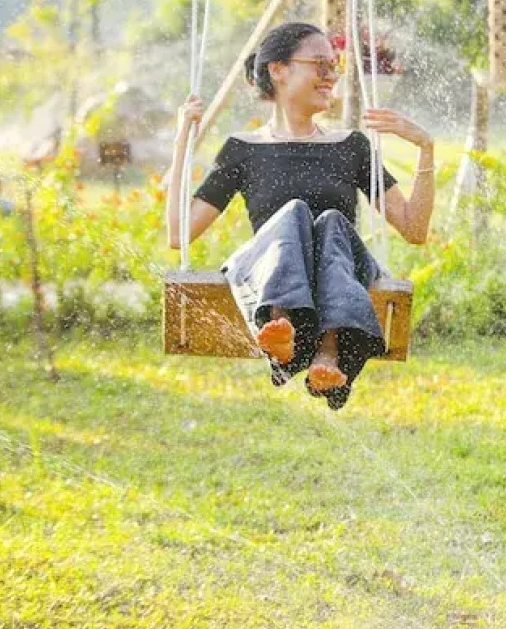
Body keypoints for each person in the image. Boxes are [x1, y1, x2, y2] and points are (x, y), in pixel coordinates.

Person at [165, 21, 435, 409]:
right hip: (269, 271)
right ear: (279, 70)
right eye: (320, 65)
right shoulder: (243, 150)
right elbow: (180, 234)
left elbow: (414, 228)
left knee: (329, 222)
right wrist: (181, 141)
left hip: (337, 269)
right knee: (293, 214)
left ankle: (327, 352)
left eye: (334, 65)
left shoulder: (352, 146)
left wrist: (425, 147)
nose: (330, 76)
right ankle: (281, 325)